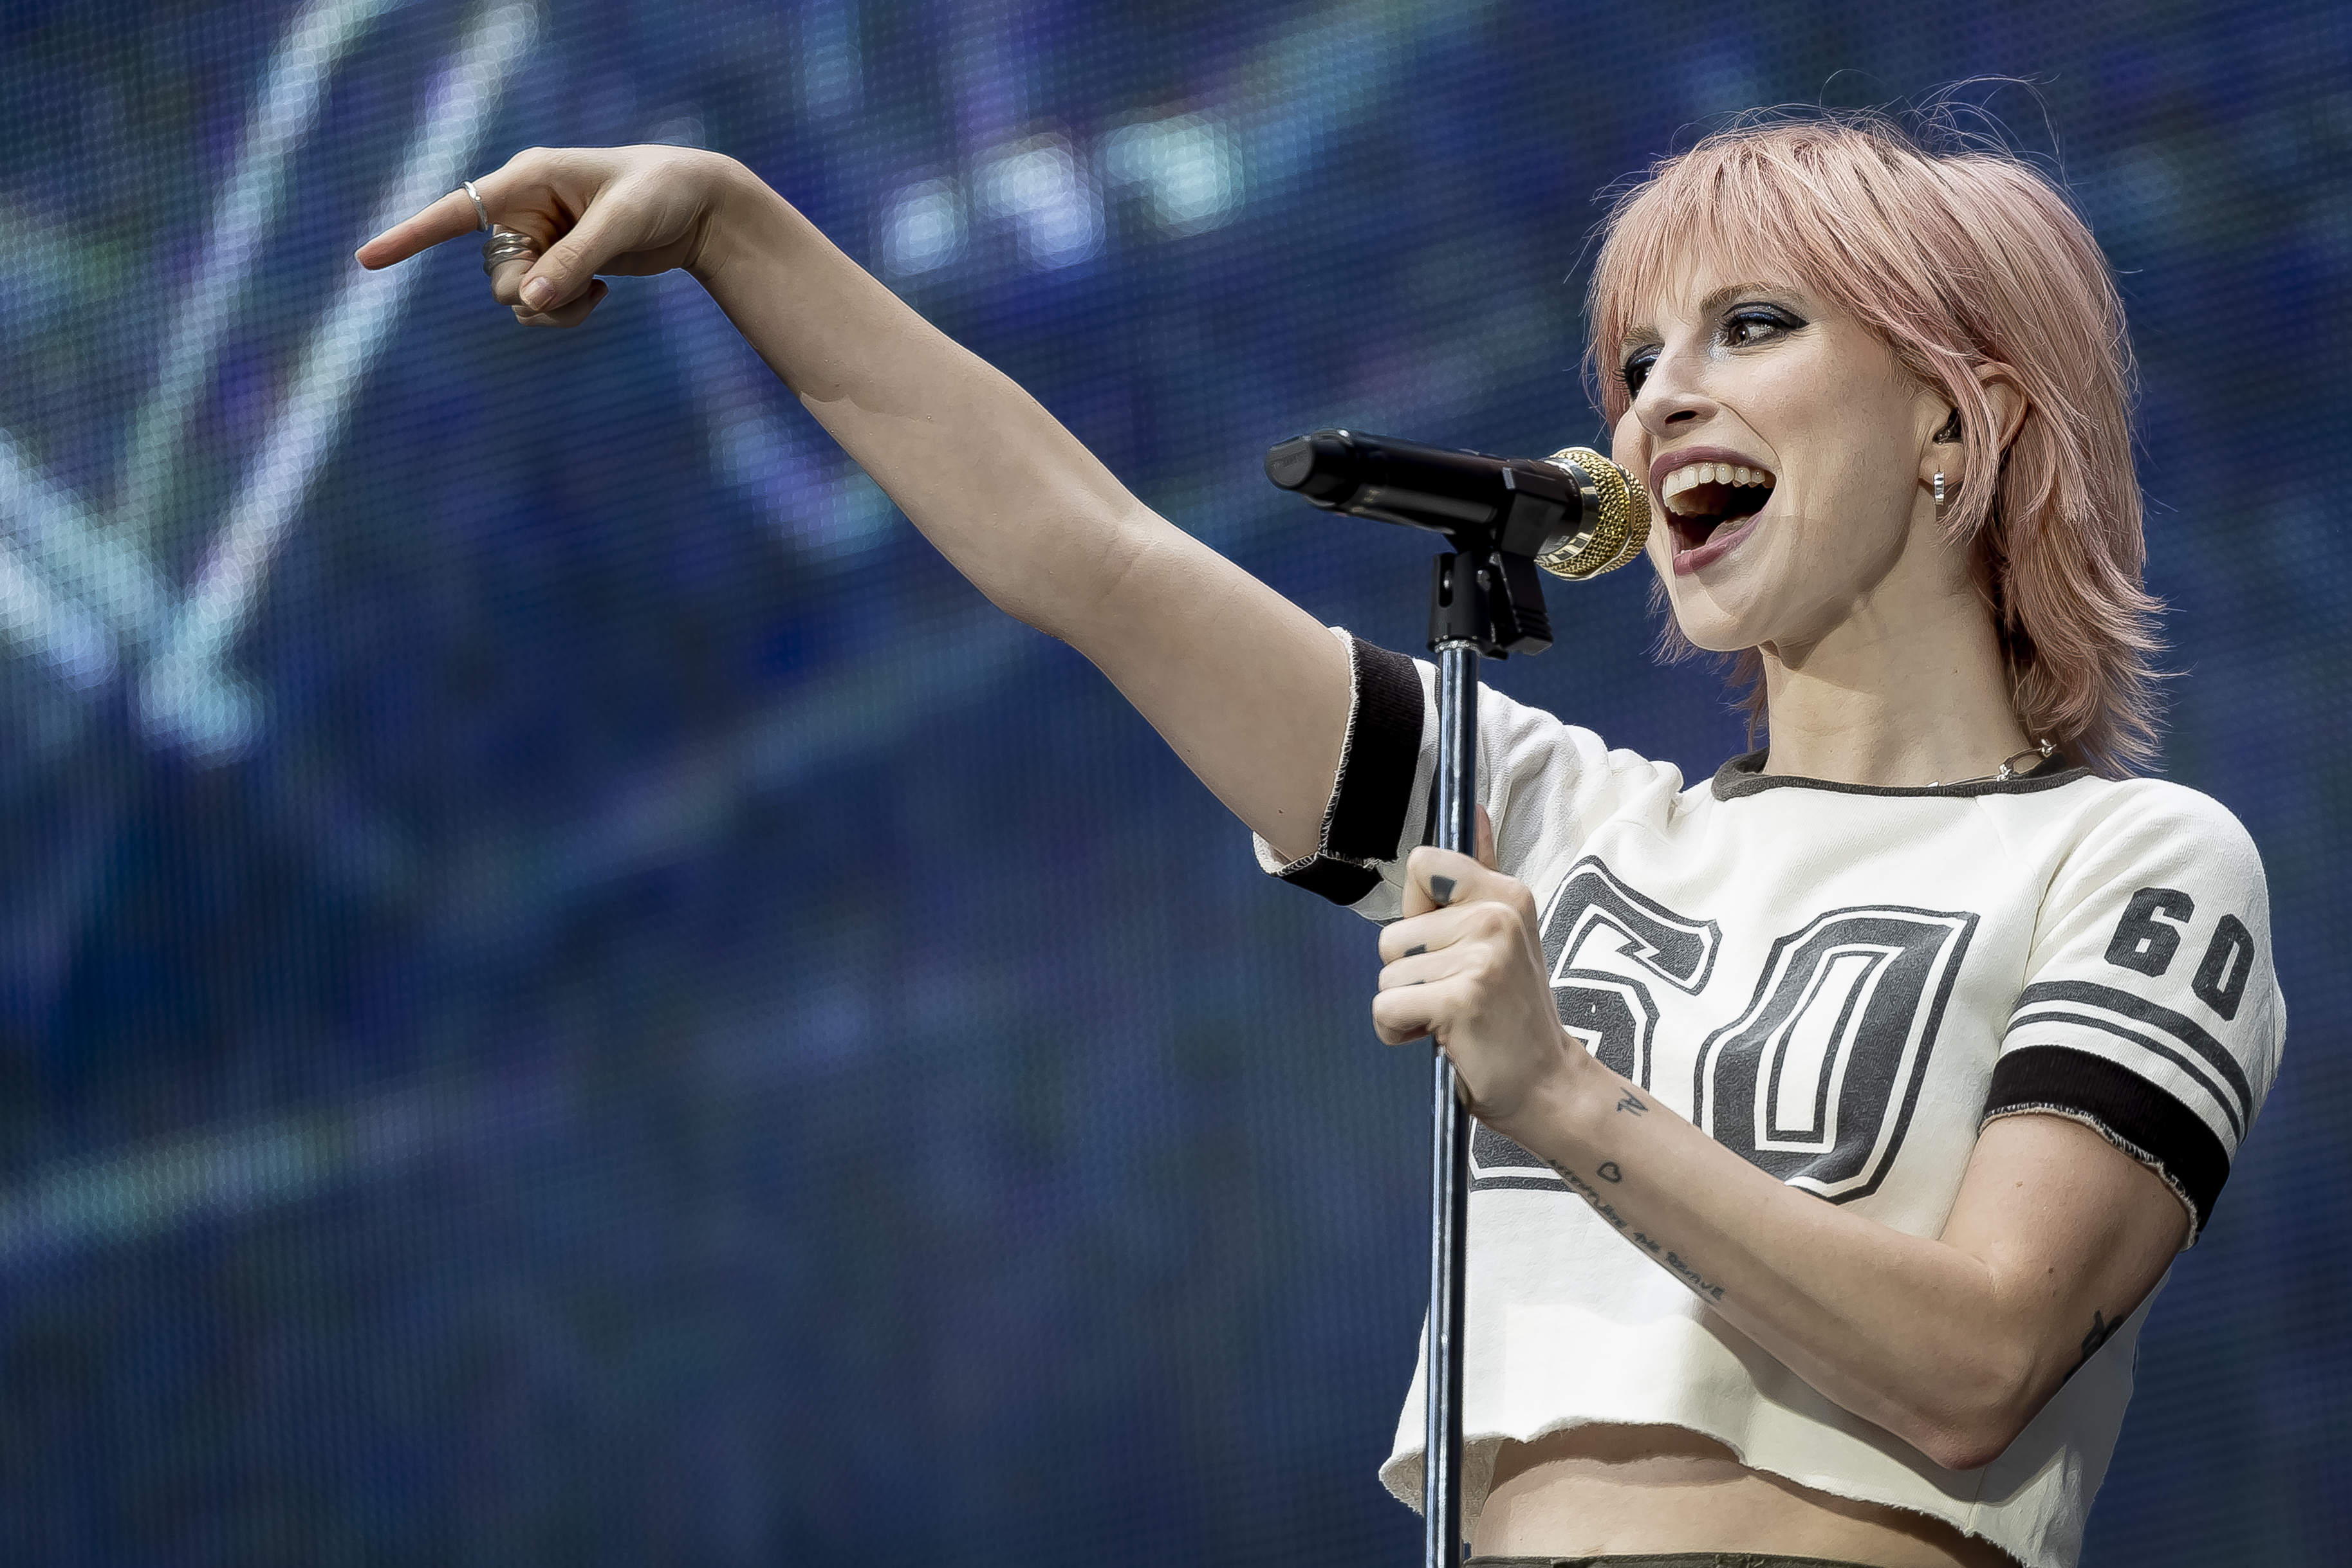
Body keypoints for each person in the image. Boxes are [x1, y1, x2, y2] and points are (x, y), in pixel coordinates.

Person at [360, 112, 2283, 1568]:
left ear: (1958, 420)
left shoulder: (2130, 862)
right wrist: (731, 225)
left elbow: (1977, 1371)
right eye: (1634, 361)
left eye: (1751, 326)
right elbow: (1092, 556)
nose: (1656, 394)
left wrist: (1567, 1099)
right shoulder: (1544, 815)